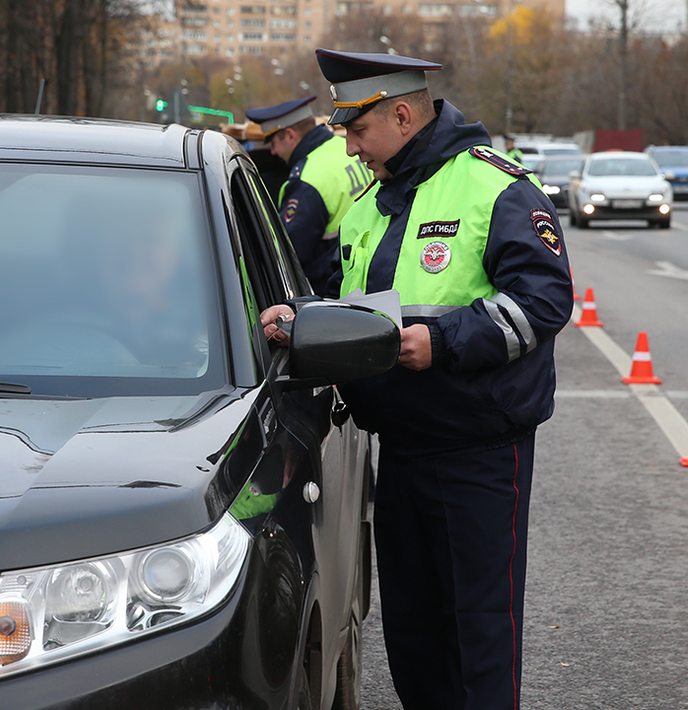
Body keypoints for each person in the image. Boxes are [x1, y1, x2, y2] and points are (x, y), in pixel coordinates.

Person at [260, 49, 574, 710]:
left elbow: (544, 301)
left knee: (479, 644)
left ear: (401, 114)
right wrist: (304, 318)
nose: (346, 144)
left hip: (480, 455)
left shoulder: (495, 186)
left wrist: (445, 342)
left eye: (356, 128)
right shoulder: (374, 201)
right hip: (401, 453)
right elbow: (364, 309)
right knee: (413, 640)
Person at [246, 97, 372, 292]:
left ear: (290, 135)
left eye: (273, 143)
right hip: (364, 274)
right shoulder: (342, 147)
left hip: (328, 291)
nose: (272, 152)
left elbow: (291, 254)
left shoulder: (306, 180)